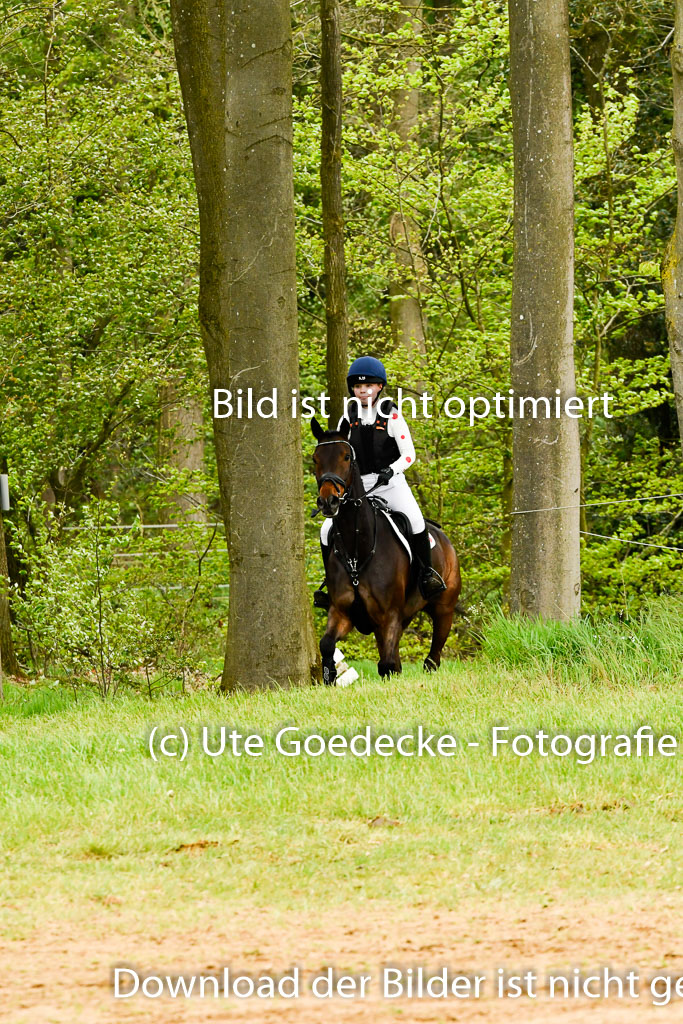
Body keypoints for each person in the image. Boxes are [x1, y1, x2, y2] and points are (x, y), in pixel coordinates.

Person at [314, 356, 447, 606]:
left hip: (391, 484)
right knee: (325, 530)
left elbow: (409, 454)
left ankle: (427, 575)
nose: (362, 390)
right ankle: (330, 583)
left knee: (416, 521)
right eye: (358, 386)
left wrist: (391, 470)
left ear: (379, 387)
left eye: (368, 386)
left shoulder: (392, 416)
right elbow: (339, 452)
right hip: (358, 487)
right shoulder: (347, 418)